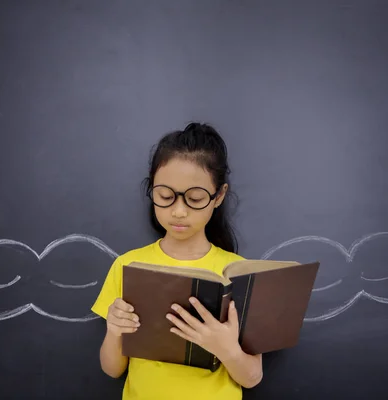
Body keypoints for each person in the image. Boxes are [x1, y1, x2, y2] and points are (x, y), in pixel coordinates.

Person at [91, 122, 263, 399]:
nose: (179, 211)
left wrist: (226, 348)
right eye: (166, 196)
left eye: (195, 199)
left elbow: (253, 377)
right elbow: (112, 370)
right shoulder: (128, 265)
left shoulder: (240, 273)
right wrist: (114, 331)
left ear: (218, 196)